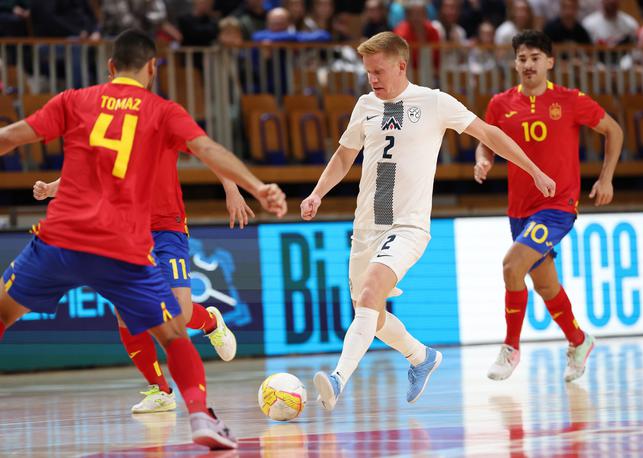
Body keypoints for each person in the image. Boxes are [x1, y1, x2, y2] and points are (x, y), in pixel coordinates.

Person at [0, 29, 286, 449]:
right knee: (171, 333)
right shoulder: (161, 111)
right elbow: (208, 149)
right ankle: (199, 416)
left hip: (63, 239)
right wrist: (258, 187)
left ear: (111, 66)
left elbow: (8, 138)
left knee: (3, 313)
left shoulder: (73, 100)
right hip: (122, 246)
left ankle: (200, 343)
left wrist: (234, 188)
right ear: (152, 68)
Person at [300, 31, 556, 411]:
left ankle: (337, 381)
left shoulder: (434, 102)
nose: (373, 79)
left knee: (371, 293)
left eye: (379, 71)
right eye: (368, 72)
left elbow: (489, 134)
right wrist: (318, 192)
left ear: (401, 66)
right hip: (367, 227)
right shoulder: (365, 105)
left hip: (407, 227)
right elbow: (343, 156)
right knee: (370, 313)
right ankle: (421, 357)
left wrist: (534, 170)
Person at [32, 151, 253, 414]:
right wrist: (51, 190)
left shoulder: (163, 122)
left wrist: (232, 190)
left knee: (178, 314)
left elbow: (210, 153)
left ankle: (211, 322)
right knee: (125, 312)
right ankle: (160, 390)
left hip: (168, 229)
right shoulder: (109, 129)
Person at [474, 30, 623, 383]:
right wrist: (483, 159)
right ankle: (579, 340)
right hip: (520, 209)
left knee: (512, 266)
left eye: (535, 58)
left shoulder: (571, 100)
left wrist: (606, 178)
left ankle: (511, 348)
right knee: (545, 287)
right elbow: (485, 141)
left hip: (558, 205)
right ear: (515, 63)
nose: (528, 65)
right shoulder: (500, 103)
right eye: (522, 59)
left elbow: (613, 131)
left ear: (549, 62)